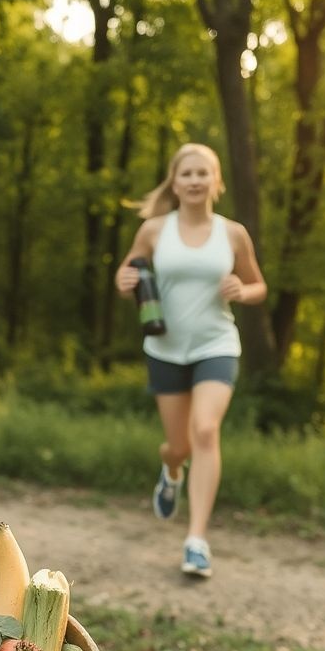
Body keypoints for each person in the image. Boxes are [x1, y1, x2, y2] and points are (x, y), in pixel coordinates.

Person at [114, 142, 267, 579]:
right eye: (188, 173)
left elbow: (259, 286)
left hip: (216, 345)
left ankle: (196, 540)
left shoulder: (232, 233)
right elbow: (127, 277)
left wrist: (244, 289)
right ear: (175, 182)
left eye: (204, 173)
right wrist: (125, 280)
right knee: (178, 445)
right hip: (164, 349)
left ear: (215, 181)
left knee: (205, 430)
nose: (196, 180)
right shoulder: (154, 230)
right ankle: (171, 468)